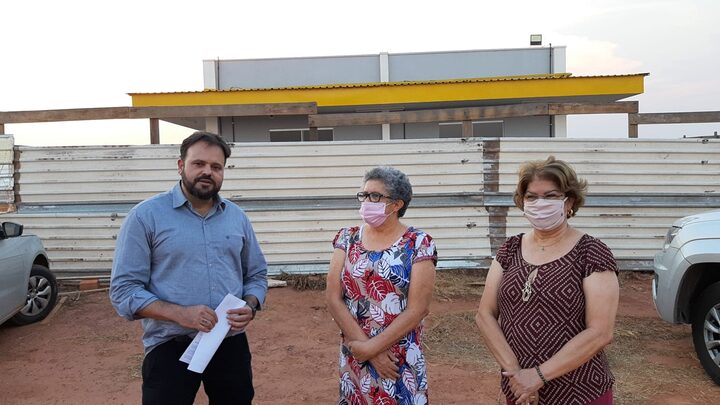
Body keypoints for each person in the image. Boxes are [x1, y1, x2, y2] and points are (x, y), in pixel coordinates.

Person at [109, 131, 268, 405]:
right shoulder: (146, 217)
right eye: (199, 164)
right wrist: (180, 314)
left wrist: (251, 305)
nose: (208, 172)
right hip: (170, 346)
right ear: (181, 165)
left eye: (216, 167)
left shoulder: (236, 217)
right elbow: (123, 291)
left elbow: (256, 274)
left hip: (228, 342)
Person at [475, 156, 619, 405]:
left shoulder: (592, 252)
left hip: (579, 391)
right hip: (519, 390)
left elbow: (600, 332)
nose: (540, 203)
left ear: (569, 201)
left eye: (551, 196)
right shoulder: (510, 249)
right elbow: (485, 314)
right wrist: (517, 375)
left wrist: (538, 376)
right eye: (532, 196)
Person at [325, 166, 437, 404]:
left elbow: (418, 309)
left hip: (398, 359)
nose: (367, 201)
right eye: (364, 195)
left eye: (375, 196)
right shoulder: (347, 238)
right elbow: (334, 298)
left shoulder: (418, 243)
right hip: (356, 351)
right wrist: (367, 350)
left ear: (397, 204)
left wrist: (372, 348)